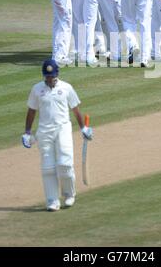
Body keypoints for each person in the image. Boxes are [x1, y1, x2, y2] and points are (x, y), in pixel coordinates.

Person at [22, 59, 93, 211]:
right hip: (44, 131)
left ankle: (69, 194)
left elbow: (75, 109)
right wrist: (27, 132)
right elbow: (31, 111)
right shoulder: (37, 89)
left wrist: (83, 128)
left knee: (65, 164)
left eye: (52, 76)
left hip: (63, 128)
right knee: (48, 168)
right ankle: (52, 200)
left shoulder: (66, 88)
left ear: (57, 75)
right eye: (47, 77)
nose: (49, 79)